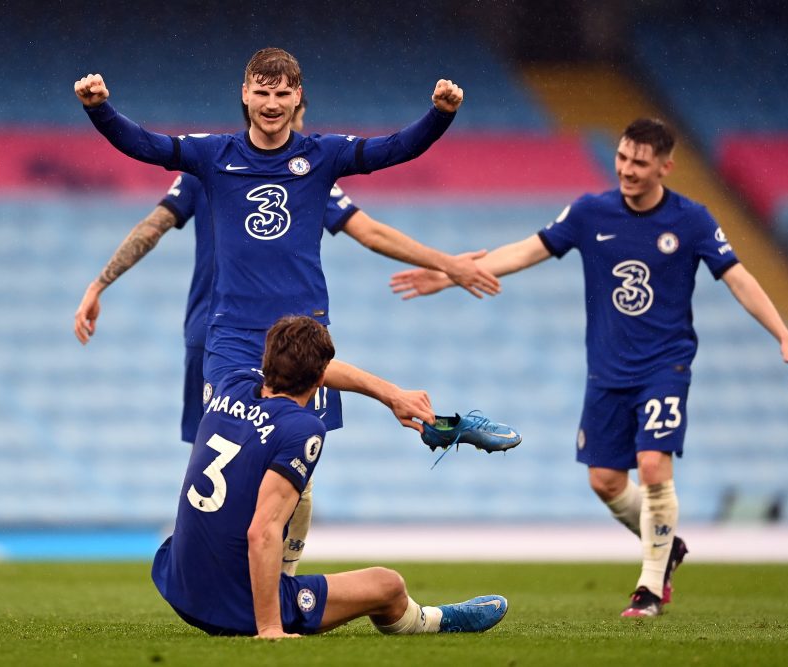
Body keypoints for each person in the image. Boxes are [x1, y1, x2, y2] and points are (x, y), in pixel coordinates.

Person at [390, 118, 788, 617]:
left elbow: (737, 277)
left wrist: (782, 332)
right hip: (607, 372)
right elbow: (527, 250)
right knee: (605, 481)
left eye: (640, 162)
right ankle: (667, 544)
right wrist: (453, 273)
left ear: (665, 167)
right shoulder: (592, 212)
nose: (628, 170)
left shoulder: (692, 220)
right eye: (623, 158)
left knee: (653, 465)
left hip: (665, 366)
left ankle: (650, 588)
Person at [73, 92, 498, 574]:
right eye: (271, 101)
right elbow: (153, 224)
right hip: (219, 334)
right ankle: (223, 572)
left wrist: (444, 264)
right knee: (227, 458)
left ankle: (278, 579)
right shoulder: (209, 166)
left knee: (291, 462)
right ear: (250, 103)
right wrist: (100, 281)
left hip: (293, 336)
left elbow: (371, 229)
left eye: (290, 105)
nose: (290, 119)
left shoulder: (314, 168)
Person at [73, 49, 467, 437]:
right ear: (245, 94)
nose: (272, 104)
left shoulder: (322, 156)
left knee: (297, 461)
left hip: (304, 332)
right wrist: (101, 110)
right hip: (233, 334)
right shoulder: (213, 156)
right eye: (262, 93)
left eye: (282, 94)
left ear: (297, 96)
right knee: (228, 450)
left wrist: (439, 116)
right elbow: (146, 145)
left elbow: (394, 148)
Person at [152, 315, 508, 638]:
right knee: (388, 586)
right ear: (322, 379)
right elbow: (262, 531)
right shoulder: (302, 427)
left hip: (178, 578)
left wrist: (392, 395)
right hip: (231, 604)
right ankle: (431, 621)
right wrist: (270, 629)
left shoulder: (231, 382)